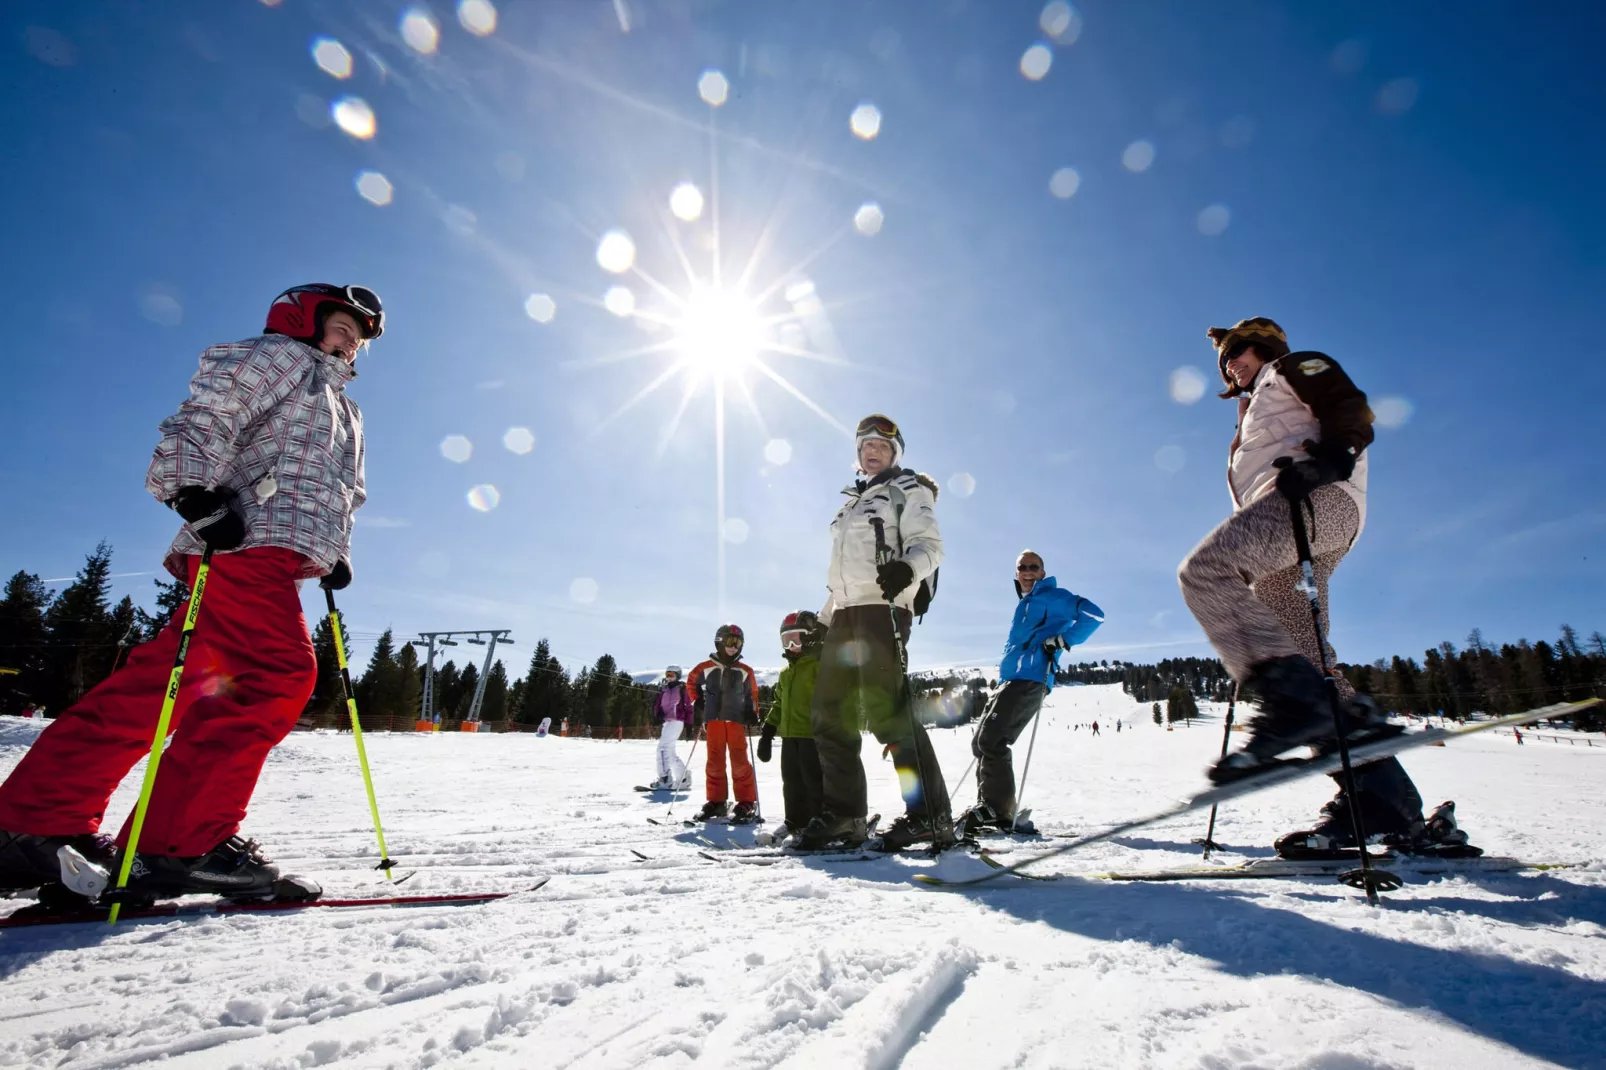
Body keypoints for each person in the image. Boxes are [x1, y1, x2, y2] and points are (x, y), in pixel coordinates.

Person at [0, 283, 384, 905]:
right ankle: (178, 844)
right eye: (343, 326)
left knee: (161, 686)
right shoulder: (278, 358)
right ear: (305, 317)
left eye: (359, 339)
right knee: (274, 675)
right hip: (243, 541)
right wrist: (190, 493)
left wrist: (335, 554)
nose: (350, 344)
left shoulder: (345, 407)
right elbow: (208, 416)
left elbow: (343, 488)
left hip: (278, 551)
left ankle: (34, 821)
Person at [1178, 317, 1471, 857]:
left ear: (1261, 346)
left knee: (1204, 573)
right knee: (1308, 666)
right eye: (1223, 362)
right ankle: (1384, 802)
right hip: (1290, 528)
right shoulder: (1249, 412)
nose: (1229, 366)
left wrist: (1333, 460)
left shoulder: (1290, 368)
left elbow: (1349, 405)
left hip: (1315, 503)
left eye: (1236, 353)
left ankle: (1293, 705)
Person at [798, 415, 951, 851]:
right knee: (829, 717)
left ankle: (929, 816)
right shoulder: (849, 504)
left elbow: (931, 547)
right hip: (845, 615)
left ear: (895, 453)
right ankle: (845, 816)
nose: (872, 450)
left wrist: (907, 569)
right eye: (865, 445)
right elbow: (840, 577)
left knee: (889, 716)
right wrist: (823, 621)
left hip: (884, 609)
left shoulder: (908, 489)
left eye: (882, 446)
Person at [957, 550, 1103, 837]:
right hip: (1010, 680)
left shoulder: (1054, 596)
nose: (1027, 571)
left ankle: (997, 811)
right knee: (981, 743)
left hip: (1030, 678)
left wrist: (1064, 639)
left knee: (993, 740)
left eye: (1033, 567)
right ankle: (990, 808)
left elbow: (1093, 614)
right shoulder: (1026, 604)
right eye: (1021, 567)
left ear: (1042, 572)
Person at [758, 610, 827, 838]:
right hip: (789, 736)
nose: (790, 646)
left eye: (795, 639)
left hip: (812, 735)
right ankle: (794, 820)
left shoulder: (819, 666)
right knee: (791, 782)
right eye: (785, 641)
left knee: (813, 782)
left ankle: (818, 821)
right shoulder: (786, 673)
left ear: (810, 637)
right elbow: (779, 703)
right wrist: (768, 731)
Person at [687, 625, 761, 823]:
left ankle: (746, 801)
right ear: (719, 641)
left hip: (735, 720)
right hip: (713, 721)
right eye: (729, 642)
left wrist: (752, 711)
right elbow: (691, 681)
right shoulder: (706, 666)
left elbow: (752, 694)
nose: (733, 647)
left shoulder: (745, 671)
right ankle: (716, 801)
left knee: (739, 761)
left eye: (737, 643)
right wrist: (697, 701)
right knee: (714, 761)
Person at [647, 665, 693, 789]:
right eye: (667, 675)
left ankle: (665, 778)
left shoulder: (682, 689)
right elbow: (658, 704)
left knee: (662, 748)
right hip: (667, 722)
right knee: (669, 752)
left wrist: (689, 724)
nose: (669, 677)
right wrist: (657, 716)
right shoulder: (664, 690)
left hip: (676, 721)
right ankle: (683, 778)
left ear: (677, 676)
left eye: (671, 675)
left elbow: (689, 707)